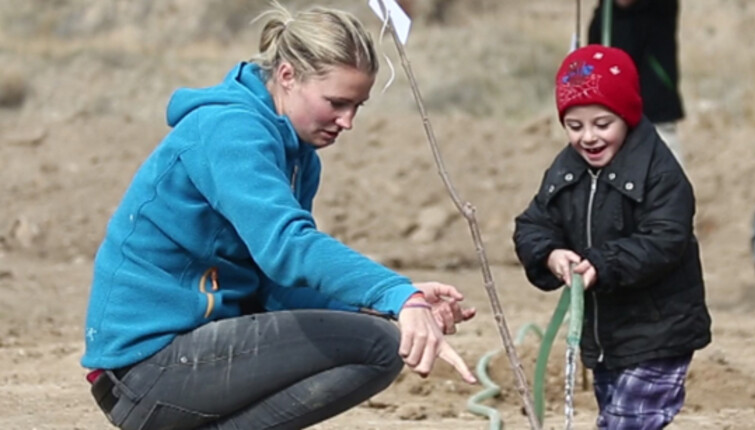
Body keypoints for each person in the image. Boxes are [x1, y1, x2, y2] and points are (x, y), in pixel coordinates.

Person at [80, 4, 477, 429]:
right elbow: (288, 247)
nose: (348, 122)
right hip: (145, 369)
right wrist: (397, 294)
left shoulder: (301, 158)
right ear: (287, 75)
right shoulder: (229, 130)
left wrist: (384, 307)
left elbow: (277, 286)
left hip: (187, 357)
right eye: (337, 102)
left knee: (382, 340)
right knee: (377, 346)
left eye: (358, 106)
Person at [513, 44, 711, 429]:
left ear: (628, 115)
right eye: (575, 126)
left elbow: (664, 239)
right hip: (605, 336)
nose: (588, 137)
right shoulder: (567, 168)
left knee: (627, 422)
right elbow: (533, 223)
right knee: (618, 417)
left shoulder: (661, 173)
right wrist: (551, 253)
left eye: (602, 124)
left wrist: (603, 264)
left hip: (658, 332)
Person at [588, 0, 686, 166]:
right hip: (610, 116)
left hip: (654, 115)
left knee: (665, 182)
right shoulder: (604, 14)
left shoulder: (658, 7)